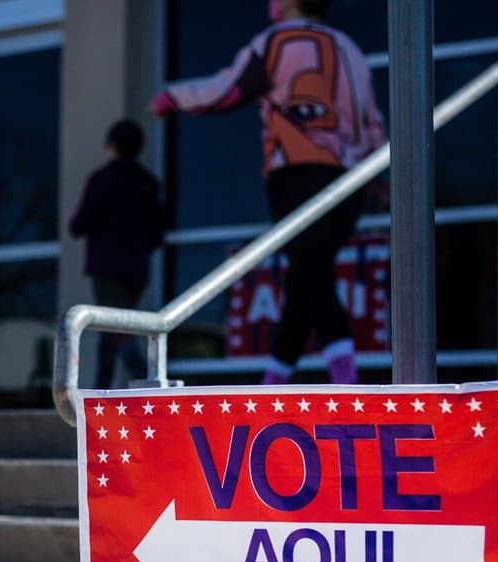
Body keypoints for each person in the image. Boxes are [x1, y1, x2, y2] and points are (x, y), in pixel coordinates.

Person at [150, 0, 384, 385]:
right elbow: (374, 123)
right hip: (350, 181)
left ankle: (347, 382)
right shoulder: (352, 49)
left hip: (297, 172)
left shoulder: (276, 41)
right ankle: (273, 381)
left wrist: (172, 97)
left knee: (312, 275)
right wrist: (378, 180)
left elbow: (227, 91)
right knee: (306, 277)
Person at [69, 119, 166, 388]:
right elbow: (157, 233)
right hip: (136, 269)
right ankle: (100, 391)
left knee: (117, 330)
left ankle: (150, 383)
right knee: (110, 328)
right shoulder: (147, 182)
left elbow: (78, 224)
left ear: (111, 145)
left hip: (107, 268)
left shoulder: (103, 179)